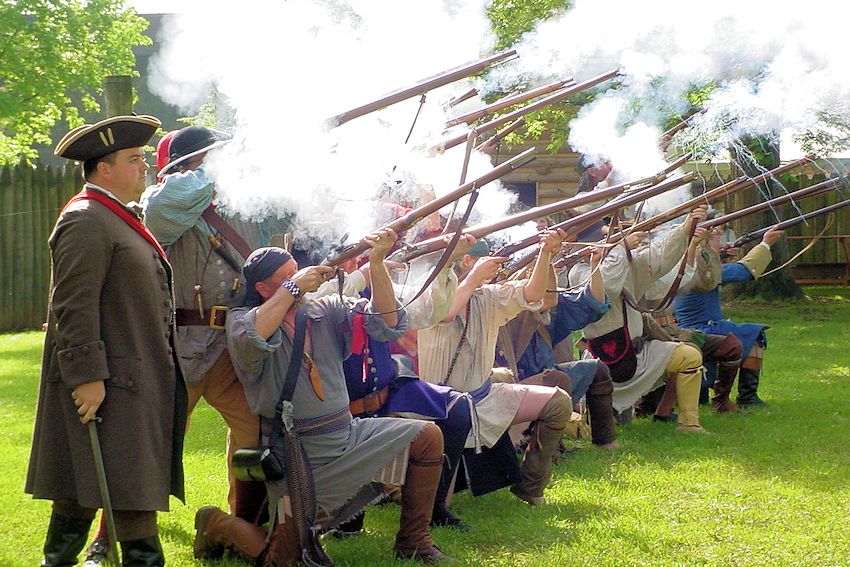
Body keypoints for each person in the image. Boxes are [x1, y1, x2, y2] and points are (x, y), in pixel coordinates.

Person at [196, 229, 454, 564]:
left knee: (427, 437)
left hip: (347, 435)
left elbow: (387, 323)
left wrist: (376, 262)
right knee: (283, 560)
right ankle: (214, 522)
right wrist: (294, 288)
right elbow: (254, 337)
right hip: (297, 452)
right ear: (262, 288)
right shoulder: (242, 321)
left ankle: (414, 540)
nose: (298, 279)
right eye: (286, 276)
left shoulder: (325, 309)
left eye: (296, 272)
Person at [26, 115, 186, 566]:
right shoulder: (86, 219)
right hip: (109, 384)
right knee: (111, 491)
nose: (145, 167)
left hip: (129, 382)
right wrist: (86, 377)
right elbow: (72, 307)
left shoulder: (114, 217)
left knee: (103, 489)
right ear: (104, 169)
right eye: (134, 159)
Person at [142, 125, 267, 531]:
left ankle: (244, 522)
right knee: (155, 440)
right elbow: (160, 213)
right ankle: (114, 532)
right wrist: (231, 160)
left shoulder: (245, 204)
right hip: (179, 345)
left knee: (255, 435)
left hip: (231, 345)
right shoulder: (166, 197)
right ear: (195, 164)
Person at [417, 229, 575, 506]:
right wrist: (476, 276)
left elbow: (535, 294)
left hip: (483, 395)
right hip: (441, 407)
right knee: (438, 505)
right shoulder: (433, 293)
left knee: (558, 404)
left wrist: (546, 252)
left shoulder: (489, 296)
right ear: (465, 262)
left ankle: (530, 486)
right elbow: (446, 313)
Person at [569, 207, 709, 433]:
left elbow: (658, 256)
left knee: (690, 356)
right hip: (605, 361)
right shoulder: (579, 272)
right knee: (599, 427)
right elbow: (608, 288)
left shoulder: (623, 260)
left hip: (636, 352)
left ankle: (689, 423)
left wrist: (686, 227)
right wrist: (622, 248)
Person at [673, 226, 784, 407]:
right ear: (704, 245)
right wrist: (765, 244)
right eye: (717, 240)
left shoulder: (688, 266)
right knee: (755, 335)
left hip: (690, 328)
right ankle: (747, 397)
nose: (722, 243)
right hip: (704, 328)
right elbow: (744, 271)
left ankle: (707, 394)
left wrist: (721, 255)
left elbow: (711, 267)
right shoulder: (701, 270)